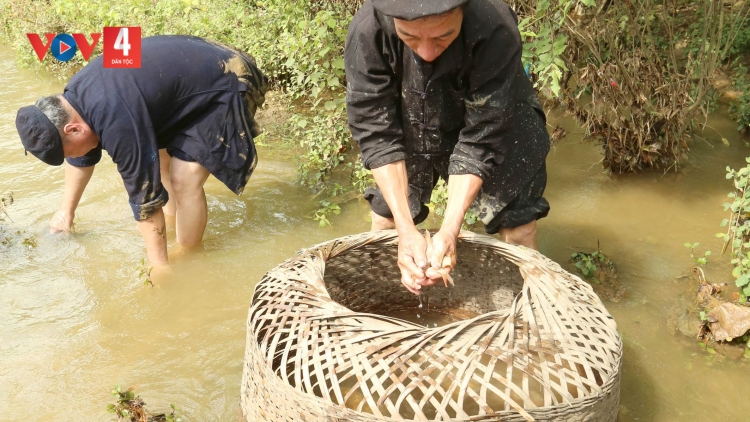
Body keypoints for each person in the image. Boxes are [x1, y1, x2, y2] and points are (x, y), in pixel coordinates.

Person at [15, 35, 268, 276]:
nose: (71, 157)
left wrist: (159, 266)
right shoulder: (72, 99)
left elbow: (144, 198)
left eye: (66, 151)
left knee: (184, 179)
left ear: (73, 129)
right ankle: (172, 223)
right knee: (161, 159)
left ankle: (191, 255)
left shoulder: (115, 117)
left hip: (227, 79)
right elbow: (80, 157)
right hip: (195, 71)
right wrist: (65, 213)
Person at [345, 0, 551, 294]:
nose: (427, 53)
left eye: (443, 36)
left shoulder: (493, 25)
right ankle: (383, 300)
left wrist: (450, 229)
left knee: (518, 226)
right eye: (410, 37)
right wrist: (406, 230)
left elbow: (483, 138)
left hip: (497, 117)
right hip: (413, 112)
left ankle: (528, 308)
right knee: (387, 219)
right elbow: (377, 132)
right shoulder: (369, 29)